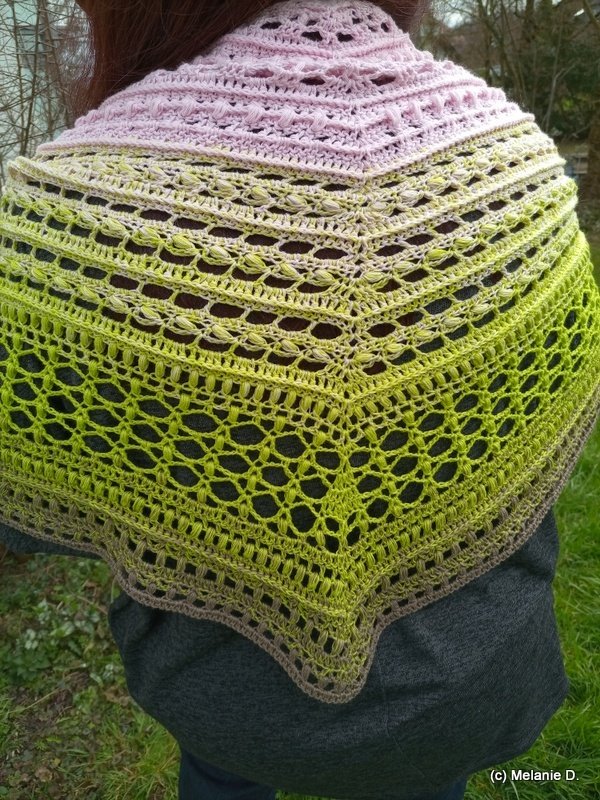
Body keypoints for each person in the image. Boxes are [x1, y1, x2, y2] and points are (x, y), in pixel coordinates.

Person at [1, 1, 599, 798]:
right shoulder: (516, 166)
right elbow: (552, 409)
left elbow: (27, 502)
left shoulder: (70, 203)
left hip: (223, 701)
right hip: (462, 686)